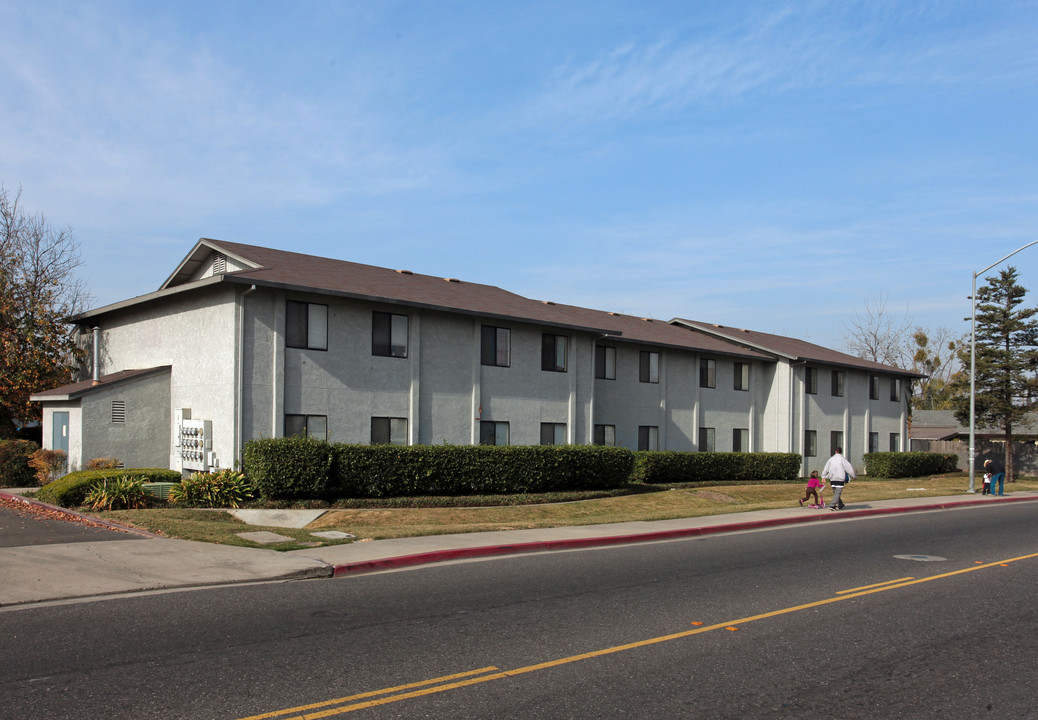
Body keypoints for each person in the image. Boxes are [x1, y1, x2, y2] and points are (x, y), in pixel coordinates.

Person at [822, 446, 856, 511]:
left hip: (832, 478)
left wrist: (823, 476)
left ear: (836, 451)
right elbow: (849, 468)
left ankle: (840, 504)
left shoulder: (831, 459)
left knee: (836, 493)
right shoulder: (843, 459)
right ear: (841, 452)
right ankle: (832, 505)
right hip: (840, 477)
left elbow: (826, 468)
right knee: (838, 493)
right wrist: (853, 476)